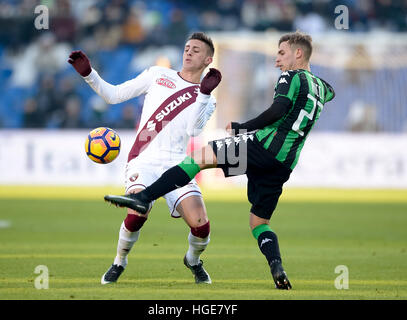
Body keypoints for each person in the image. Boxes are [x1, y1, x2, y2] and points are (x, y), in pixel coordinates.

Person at [105, 31, 335, 290]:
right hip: (284, 163)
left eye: (281, 53)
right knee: (259, 222)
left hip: (260, 147)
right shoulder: (322, 88)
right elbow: (329, 93)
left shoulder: (291, 76)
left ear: (298, 53)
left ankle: (144, 197)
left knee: (199, 158)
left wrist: (242, 127)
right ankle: (276, 265)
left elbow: (278, 110)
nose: (277, 60)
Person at [68, 32, 222, 285]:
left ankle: (193, 260)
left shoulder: (209, 98)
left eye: (196, 49)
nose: (189, 52)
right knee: (138, 212)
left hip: (178, 166)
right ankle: (119, 261)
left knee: (201, 226)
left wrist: (203, 93)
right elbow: (114, 95)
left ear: (208, 60)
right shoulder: (158, 75)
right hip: (143, 159)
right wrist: (88, 74)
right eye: (187, 47)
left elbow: (193, 131)